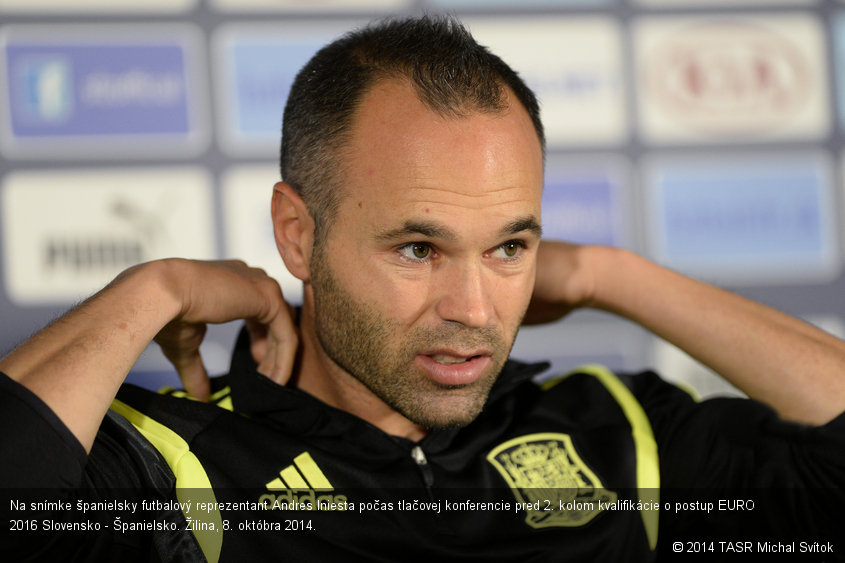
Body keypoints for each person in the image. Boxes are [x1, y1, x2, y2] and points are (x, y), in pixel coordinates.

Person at [2, 15, 844, 563]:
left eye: (508, 245)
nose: (474, 311)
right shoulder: (176, 469)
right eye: (417, 248)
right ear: (298, 233)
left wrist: (610, 275)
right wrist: (147, 290)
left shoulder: (618, 438)